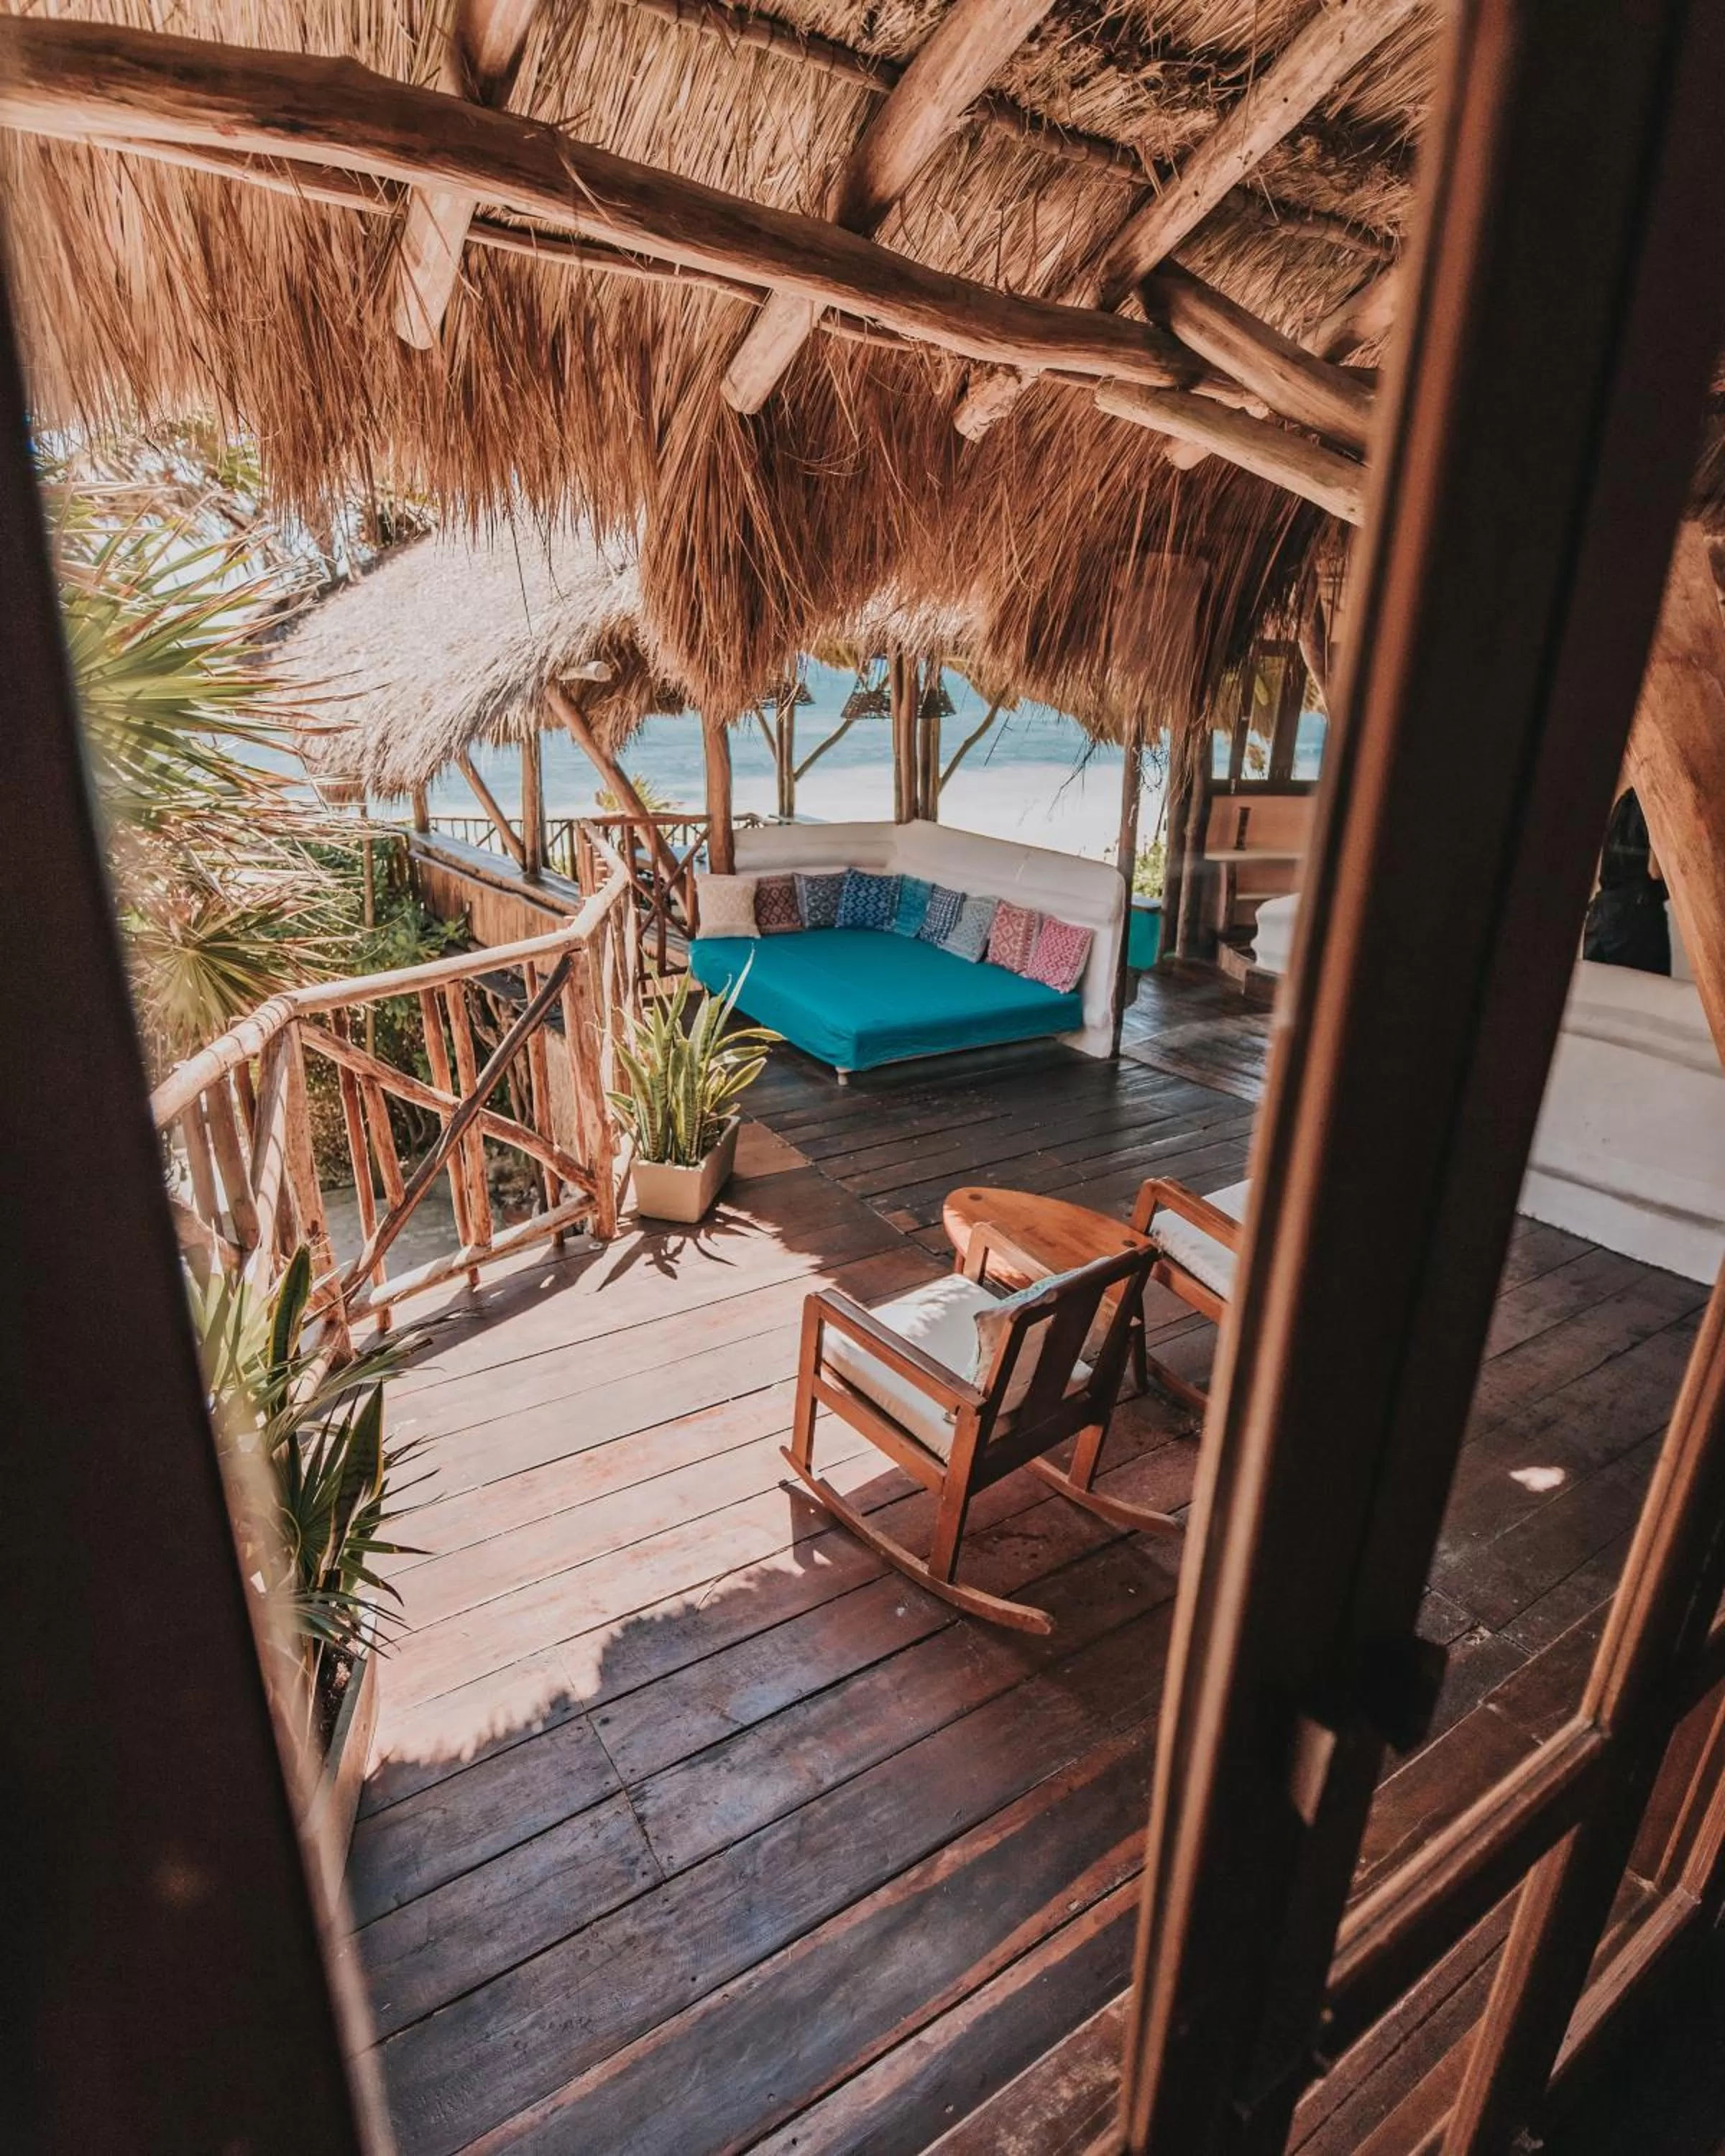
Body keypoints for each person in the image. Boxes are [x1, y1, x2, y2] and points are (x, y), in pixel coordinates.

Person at [1583, 789, 1670, 973]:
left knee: (1598, 993)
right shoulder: (1657, 802)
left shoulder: (1624, 799)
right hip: (1635, 918)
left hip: (1600, 913)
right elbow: (1656, 871)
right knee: (1649, 994)